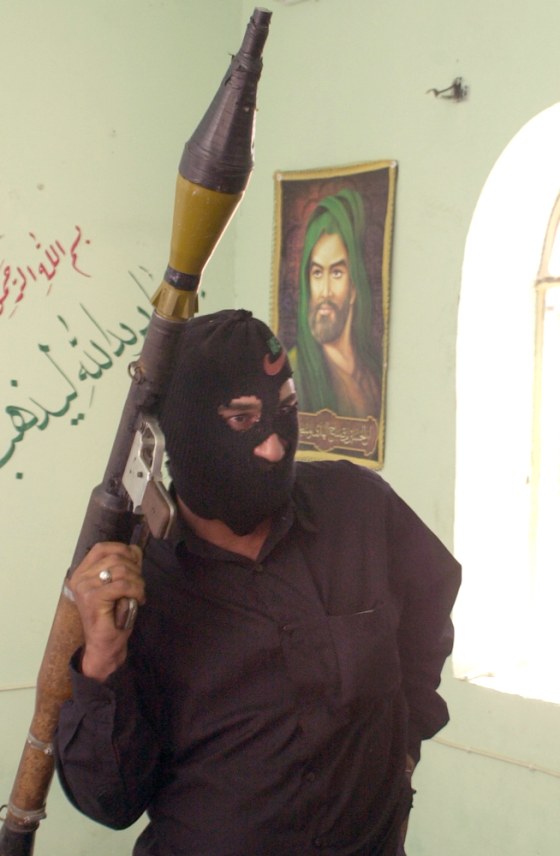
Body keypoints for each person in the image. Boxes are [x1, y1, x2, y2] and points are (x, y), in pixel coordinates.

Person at [55, 308, 461, 856]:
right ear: (185, 431)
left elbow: (430, 602)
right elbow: (110, 803)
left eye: (286, 411)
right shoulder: (133, 583)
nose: (273, 447)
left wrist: (405, 746)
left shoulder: (357, 508)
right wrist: (102, 659)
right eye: (242, 419)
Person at [290, 188, 381, 419]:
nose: (325, 291)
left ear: (354, 286)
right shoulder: (294, 371)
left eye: (337, 273)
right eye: (317, 273)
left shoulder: (372, 377)